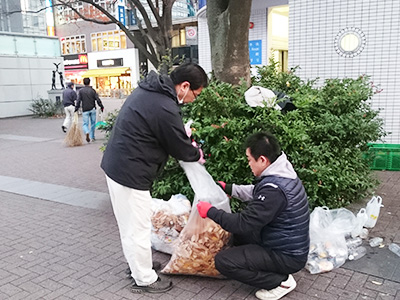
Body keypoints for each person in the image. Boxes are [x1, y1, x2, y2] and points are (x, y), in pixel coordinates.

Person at [100, 63, 208, 294]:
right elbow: (179, 147)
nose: (193, 100)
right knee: (136, 228)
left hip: (121, 167)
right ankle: (144, 278)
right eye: (195, 95)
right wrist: (196, 153)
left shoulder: (150, 92)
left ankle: (140, 266)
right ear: (184, 86)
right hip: (129, 173)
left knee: (132, 225)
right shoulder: (164, 106)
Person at [197, 132, 310, 300]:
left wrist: (210, 211)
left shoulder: (274, 190)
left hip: (286, 255)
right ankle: (251, 262)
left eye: (250, 159)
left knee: (223, 261)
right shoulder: (283, 174)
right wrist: (228, 188)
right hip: (286, 244)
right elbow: (257, 192)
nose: (249, 164)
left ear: (262, 160)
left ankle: (280, 282)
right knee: (239, 236)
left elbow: (243, 223)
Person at [75, 78, 104, 143]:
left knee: (85, 123)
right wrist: (101, 106)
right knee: (93, 123)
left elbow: (78, 100)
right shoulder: (92, 90)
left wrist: (76, 108)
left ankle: (87, 131)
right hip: (92, 108)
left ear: (83, 82)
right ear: (89, 82)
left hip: (85, 109)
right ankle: (92, 137)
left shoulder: (81, 91)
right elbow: (97, 99)